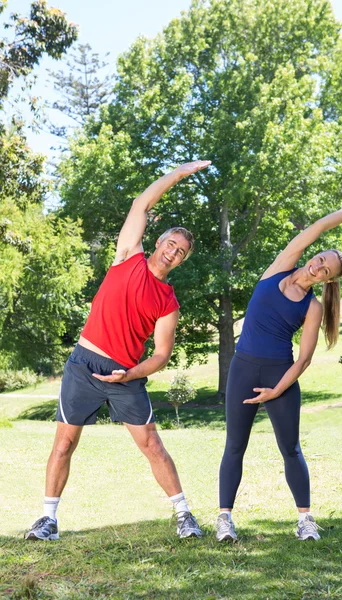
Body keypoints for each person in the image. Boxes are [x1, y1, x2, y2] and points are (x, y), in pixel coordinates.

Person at [25, 160, 211, 542]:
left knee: (152, 445)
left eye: (181, 252)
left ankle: (184, 514)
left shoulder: (169, 302)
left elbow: (160, 355)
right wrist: (180, 173)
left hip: (124, 375)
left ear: (182, 260)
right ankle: (48, 520)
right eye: (170, 244)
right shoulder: (127, 255)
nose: (172, 252)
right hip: (83, 364)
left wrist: (130, 374)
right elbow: (140, 205)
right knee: (64, 443)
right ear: (158, 242)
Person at [216, 196, 342, 543]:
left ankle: (305, 520)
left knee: (291, 449)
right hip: (242, 370)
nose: (318, 267)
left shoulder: (312, 308)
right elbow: (319, 227)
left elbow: (303, 360)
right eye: (320, 259)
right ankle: (225, 519)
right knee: (234, 446)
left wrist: (276, 391)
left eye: (326, 270)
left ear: (327, 280)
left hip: (280, 376)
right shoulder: (279, 267)